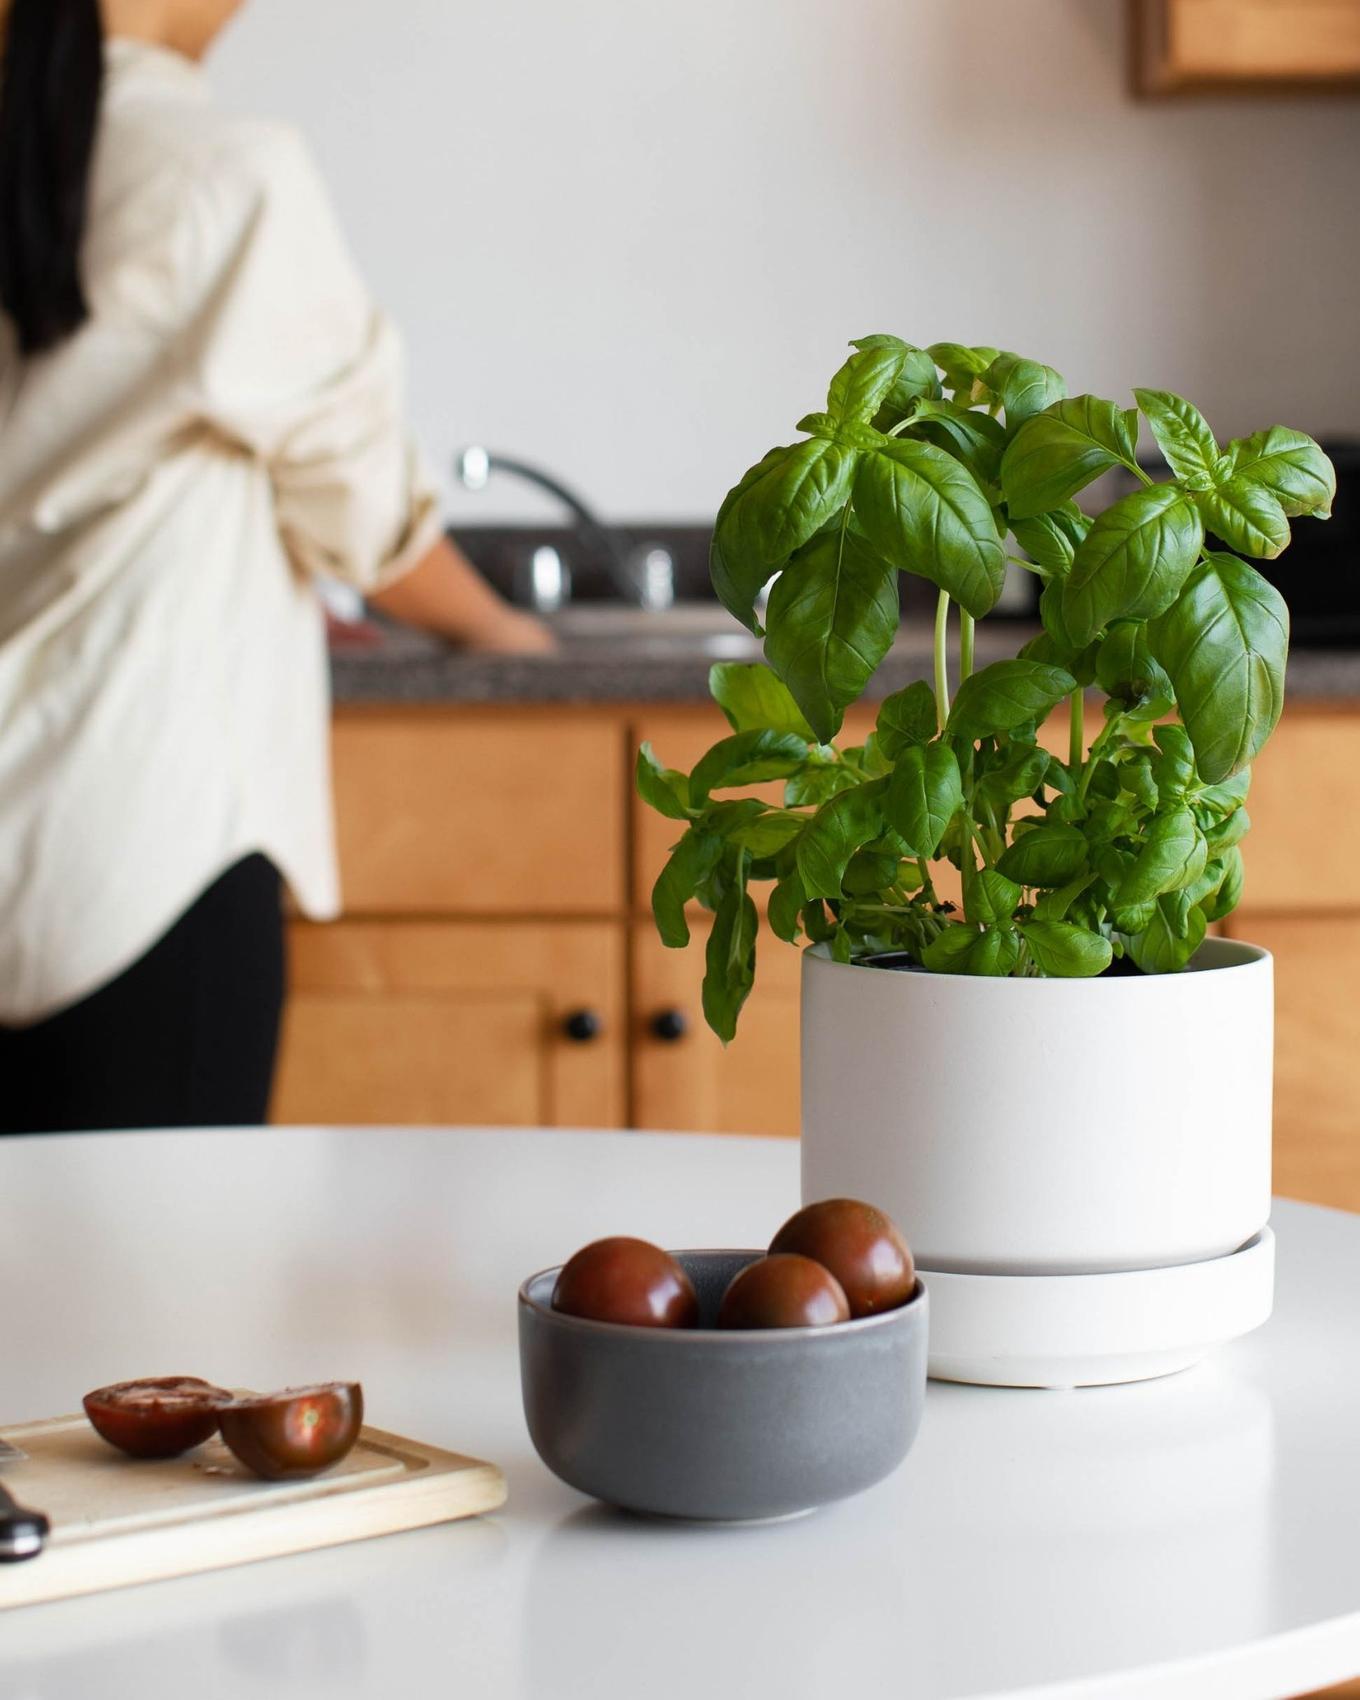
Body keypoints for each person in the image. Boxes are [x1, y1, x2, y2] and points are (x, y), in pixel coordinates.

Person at [0, 0, 551, 1135]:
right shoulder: (224, 175)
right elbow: (365, 511)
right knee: (159, 1294)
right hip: (142, 858)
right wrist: (511, 639)